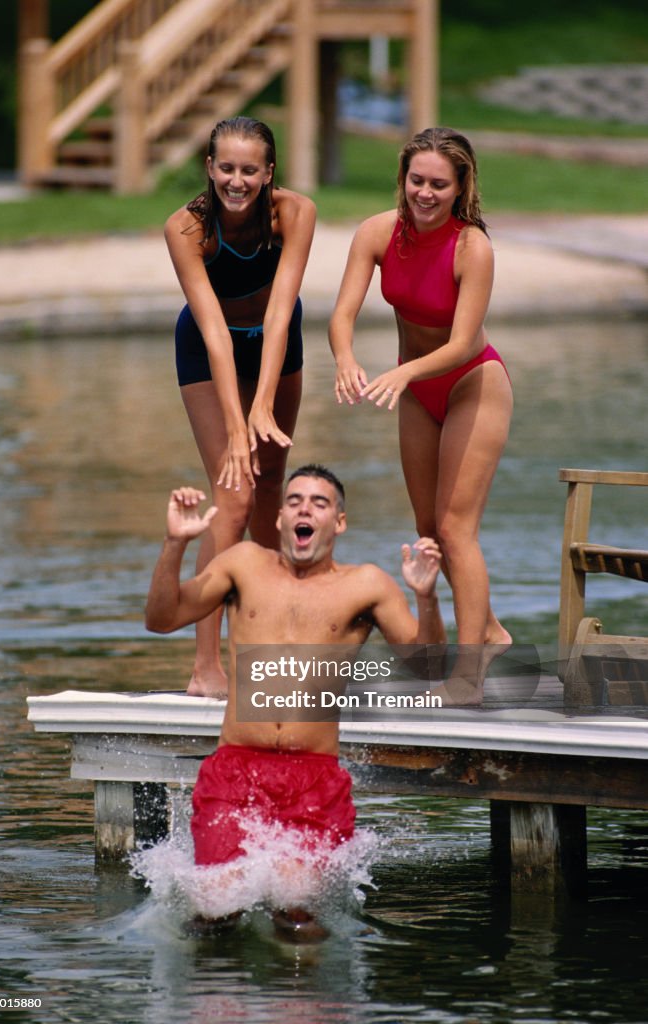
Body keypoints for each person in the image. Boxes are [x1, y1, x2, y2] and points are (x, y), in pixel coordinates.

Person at [144, 464, 448, 939]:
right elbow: (161, 619)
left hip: (313, 780)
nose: (305, 508)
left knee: (296, 913)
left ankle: (308, 1004)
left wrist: (426, 597)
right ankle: (213, 1004)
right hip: (235, 771)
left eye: (319, 502)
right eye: (294, 501)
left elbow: (429, 667)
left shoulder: (365, 584)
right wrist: (175, 543)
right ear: (281, 519)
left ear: (339, 523)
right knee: (213, 912)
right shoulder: (243, 563)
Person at [328, 127, 513, 665]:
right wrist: (346, 358)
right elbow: (342, 314)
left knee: (457, 529)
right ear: (402, 179)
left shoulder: (472, 247)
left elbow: (461, 344)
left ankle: (470, 667)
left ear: (460, 188)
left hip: (471, 381)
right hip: (412, 386)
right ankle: (493, 633)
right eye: (416, 181)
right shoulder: (377, 233)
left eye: (438, 184)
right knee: (428, 528)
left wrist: (404, 373)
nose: (425, 193)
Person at [165, 116, 316, 697]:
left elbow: (281, 314)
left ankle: (269, 654)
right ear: (209, 167)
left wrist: (265, 408)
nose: (237, 180)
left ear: (268, 172)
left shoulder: (294, 214)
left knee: (271, 486)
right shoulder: (187, 229)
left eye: (249, 169)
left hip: (278, 340)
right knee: (232, 496)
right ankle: (206, 665)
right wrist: (237, 423)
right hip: (209, 347)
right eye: (226, 167)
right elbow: (215, 334)